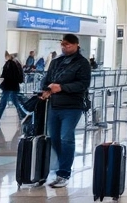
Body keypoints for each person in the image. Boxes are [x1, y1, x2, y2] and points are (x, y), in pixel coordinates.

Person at [39, 34, 92, 188]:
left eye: (68, 45)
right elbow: (47, 79)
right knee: (54, 138)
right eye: (63, 44)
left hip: (72, 107)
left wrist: (61, 87)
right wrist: (46, 89)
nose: (64, 47)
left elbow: (83, 84)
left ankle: (64, 173)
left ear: (76, 45)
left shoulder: (82, 63)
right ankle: (61, 166)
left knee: (66, 138)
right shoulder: (56, 62)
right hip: (54, 105)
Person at [0, 51, 27, 123]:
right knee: (15, 102)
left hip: (8, 86)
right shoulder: (16, 62)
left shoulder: (9, 63)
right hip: (14, 86)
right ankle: (23, 114)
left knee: (3, 102)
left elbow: (5, 75)